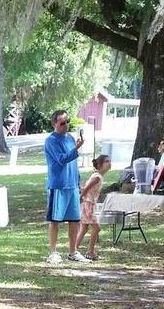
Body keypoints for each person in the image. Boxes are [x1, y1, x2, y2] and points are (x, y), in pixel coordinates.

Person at [44, 109, 87, 264]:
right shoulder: (51, 141)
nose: (66, 125)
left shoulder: (70, 138)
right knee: (55, 220)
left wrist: (78, 181)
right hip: (58, 185)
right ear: (55, 123)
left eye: (67, 122)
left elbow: (73, 163)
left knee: (75, 220)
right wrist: (76, 149)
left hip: (72, 185)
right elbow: (61, 159)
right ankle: (53, 252)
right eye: (62, 123)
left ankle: (73, 252)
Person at [78, 154, 111, 260]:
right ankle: (90, 251)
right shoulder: (97, 177)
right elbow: (86, 188)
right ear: (99, 164)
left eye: (109, 161)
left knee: (84, 228)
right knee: (97, 228)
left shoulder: (98, 177)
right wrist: (81, 197)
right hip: (88, 204)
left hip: (88, 203)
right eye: (107, 161)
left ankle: (74, 250)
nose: (109, 163)